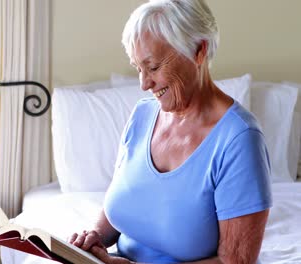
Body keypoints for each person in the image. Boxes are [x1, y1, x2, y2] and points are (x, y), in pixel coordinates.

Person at [69, 0, 272, 263]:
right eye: (138, 68)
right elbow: (123, 201)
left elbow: (235, 261)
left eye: (153, 67)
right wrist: (94, 237)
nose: (144, 84)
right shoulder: (142, 116)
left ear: (199, 51)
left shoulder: (240, 141)